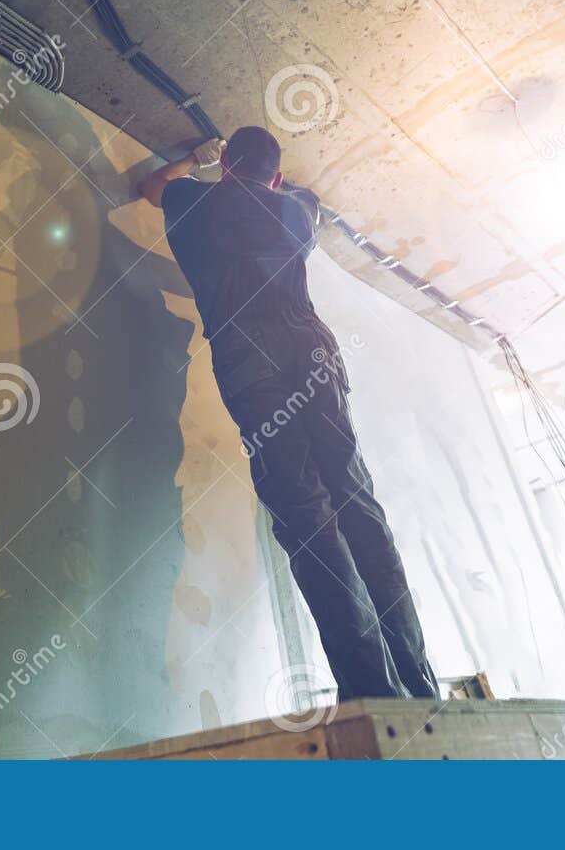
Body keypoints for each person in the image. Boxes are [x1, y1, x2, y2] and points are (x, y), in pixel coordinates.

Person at [136, 126, 439, 701]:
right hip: (312, 344)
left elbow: (151, 185)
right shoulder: (299, 213)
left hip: (251, 350)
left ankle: (374, 693)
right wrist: (267, 184)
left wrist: (193, 160)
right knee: (357, 503)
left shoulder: (196, 200)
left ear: (227, 165)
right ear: (275, 177)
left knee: (305, 513)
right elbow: (307, 197)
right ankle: (418, 684)